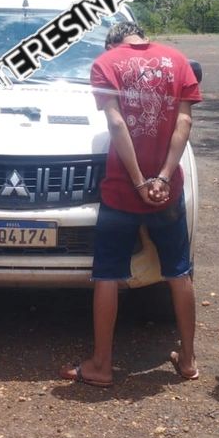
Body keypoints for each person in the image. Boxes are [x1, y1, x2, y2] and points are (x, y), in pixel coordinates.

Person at [60, 21, 202, 388]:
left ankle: (101, 365)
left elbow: (116, 123)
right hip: (166, 190)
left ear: (112, 43)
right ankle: (188, 360)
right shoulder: (178, 61)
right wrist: (163, 177)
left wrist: (138, 181)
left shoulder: (106, 63)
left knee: (108, 275)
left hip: (122, 190)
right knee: (179, 272)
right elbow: (184, 121)